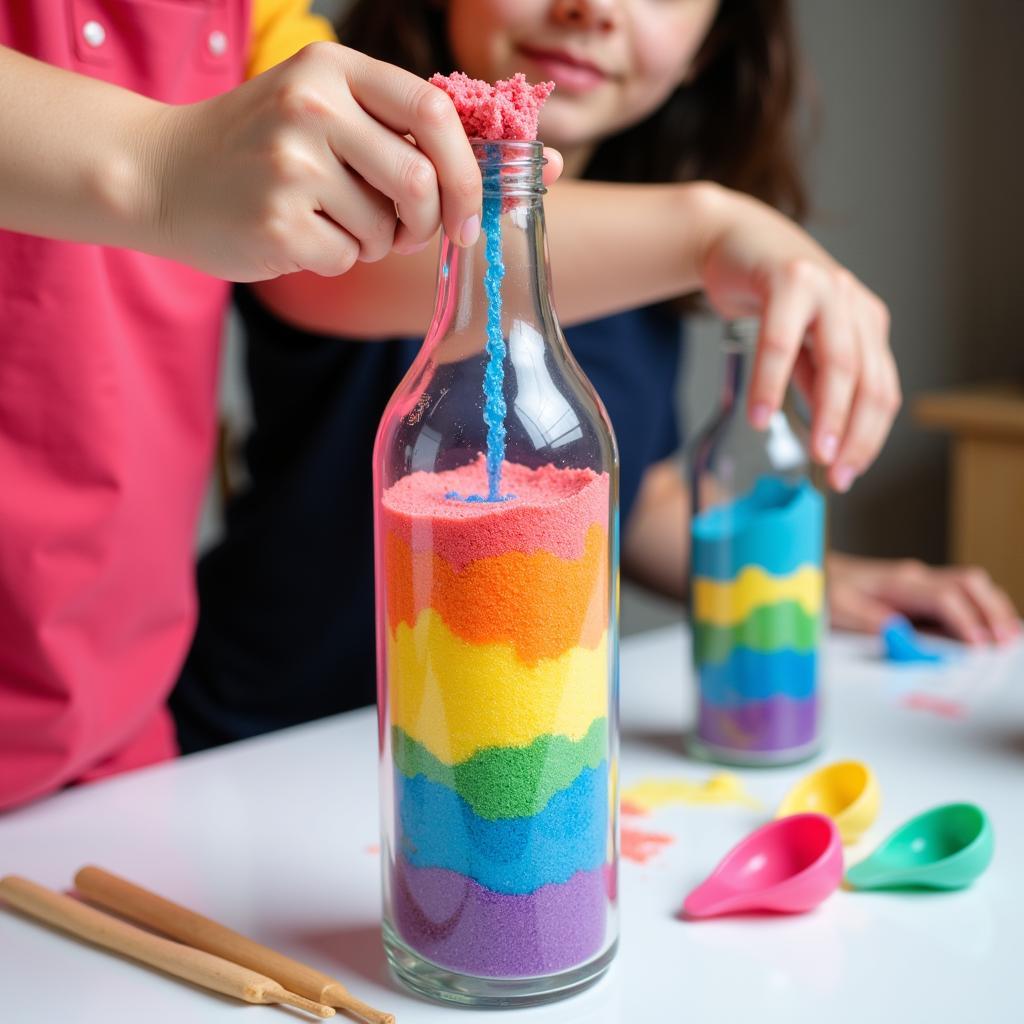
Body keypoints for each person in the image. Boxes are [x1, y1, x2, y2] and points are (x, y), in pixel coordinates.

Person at [170, 0, 1018, 756]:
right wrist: (711, 226)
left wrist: (801, 574)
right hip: (277, 740)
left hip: (510, 753)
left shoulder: (646, 248)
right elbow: (349, 264)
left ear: (710, 44)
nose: (594, 9)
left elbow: (622, 495)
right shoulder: (343, 174)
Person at [0, 1, 521, 811]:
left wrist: (702, 232)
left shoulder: (251, 15)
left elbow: (373, 225)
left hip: (115, 745)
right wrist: (160, 164)